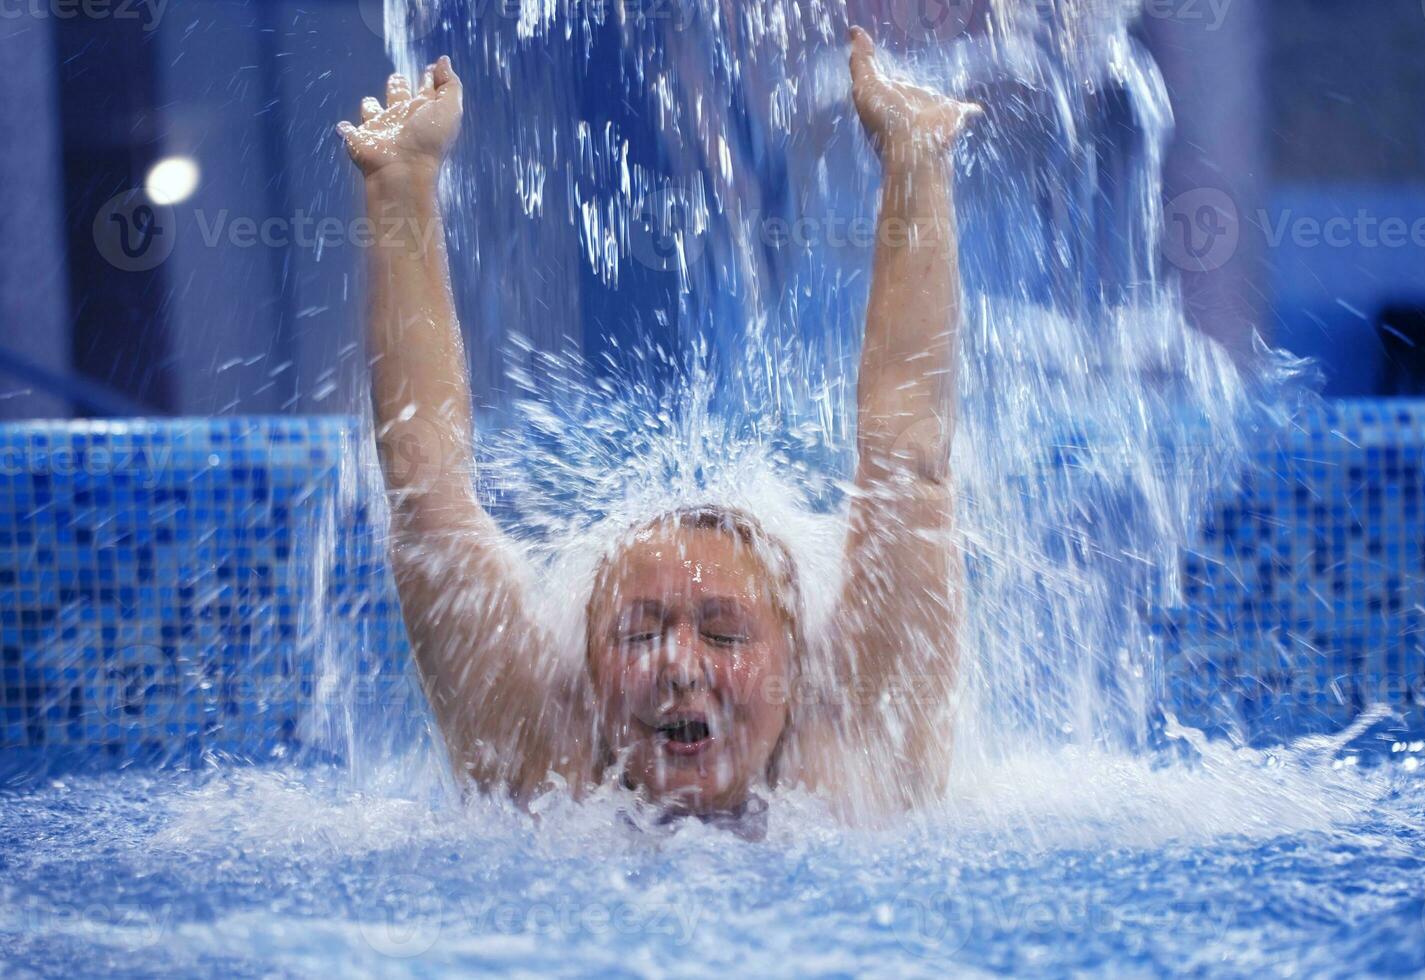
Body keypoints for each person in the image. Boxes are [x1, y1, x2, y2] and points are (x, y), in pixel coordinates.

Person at [337, 27, 972, 822]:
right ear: (588, 676)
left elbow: (910, 461)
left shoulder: (860, 760)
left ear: (799, 665)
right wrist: (399, 185)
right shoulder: (544, 764)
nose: (679, 666)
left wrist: (917, 164)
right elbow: (425, 495)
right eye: (638, 636)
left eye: (725, 634)